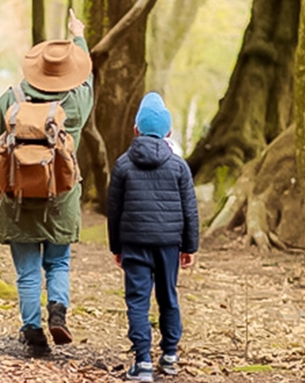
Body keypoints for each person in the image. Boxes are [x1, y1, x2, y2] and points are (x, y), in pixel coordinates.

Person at [0, 9, 93, 356]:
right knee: (58, 262)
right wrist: (78, 36)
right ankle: (57, 310)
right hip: (60, 198)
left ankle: (32, 332)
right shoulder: (75, 103)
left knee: (27, 272)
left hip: (17, 198)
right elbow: (88, 80)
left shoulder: (9, 99)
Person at [107, 92, 199, 382]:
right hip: (169, 244)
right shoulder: (179, 166)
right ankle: (170, 354)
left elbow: (114, 210)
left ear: (136, 129)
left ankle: (143, 360)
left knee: (137, 301)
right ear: (168, 132)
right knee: (168, 297)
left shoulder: (123, 165)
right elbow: (190, 211)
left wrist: (116, 247)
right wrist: (189, 246)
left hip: (134, 243)